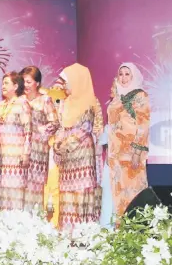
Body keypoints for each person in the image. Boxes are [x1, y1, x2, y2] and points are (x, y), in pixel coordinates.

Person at [53, 63, 102, 231]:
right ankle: (67, 235)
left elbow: (84, 130)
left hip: (81, 156)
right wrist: (57, 144)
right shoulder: (65, 103)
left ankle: (83, 236)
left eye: (67, 81)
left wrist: (63, 147)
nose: (64, 86)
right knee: (67, 197)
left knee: (81, 195)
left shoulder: (89, 103)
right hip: (67, 160)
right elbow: (60, 127)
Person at [107, 62, 150, 219]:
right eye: (121, 74)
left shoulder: (140, 96)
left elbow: (143, 125)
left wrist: (137, 152)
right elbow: (111, 126)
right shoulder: (117, 97)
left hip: (132, 152)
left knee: (134, 190)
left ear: (134, 76)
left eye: (127, 74)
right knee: (117, 192)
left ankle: (136, 229)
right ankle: (120, 229)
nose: (123, 78)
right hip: (116, 154)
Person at [20, 66, 59, 211]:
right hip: (20, 150)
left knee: (34, 187)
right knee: (20, 187)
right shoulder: (19, 100)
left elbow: (55, 123)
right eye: (23, 81)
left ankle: (34, 223)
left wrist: (39, 131)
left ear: (37, 83)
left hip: (37, 151)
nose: (25, 85)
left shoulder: (44, 100)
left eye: (28, 82)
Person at [0, 72, 32, 210]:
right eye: (2, 83)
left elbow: (28, 129)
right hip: (1, 157)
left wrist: (26, 153)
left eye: (6, 83)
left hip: (16, 157)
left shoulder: (23, 103)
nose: (3, 86)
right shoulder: (0, 105)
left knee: (15, 193)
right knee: (2, 194)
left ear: (15, 86)